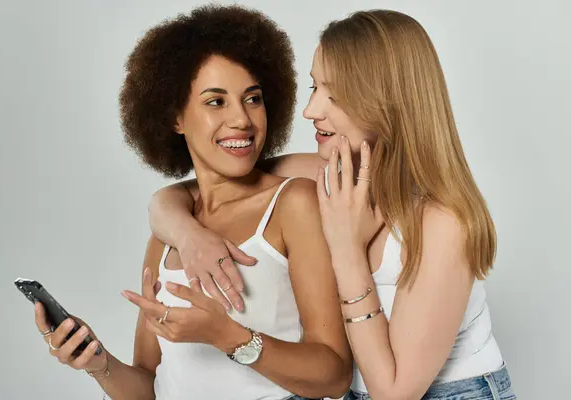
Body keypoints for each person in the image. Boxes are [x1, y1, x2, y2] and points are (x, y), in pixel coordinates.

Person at [148, 9, 516, 400]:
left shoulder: (443, 222)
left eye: (334, 95)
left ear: (388, 102)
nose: (311, 111)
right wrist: (189, 235)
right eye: (313, 88)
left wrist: (346, 249)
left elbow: (394, 393)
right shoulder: (320, 173)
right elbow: (189, 191)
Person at [31, 5, 352, 400]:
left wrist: (226, 336)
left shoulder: (291, 204)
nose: (243, 120)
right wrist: (100, 365)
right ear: (176, 118)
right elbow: (148, 385)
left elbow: (333, 374)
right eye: (216, 102)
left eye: (252, 98)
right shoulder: (167, 237)